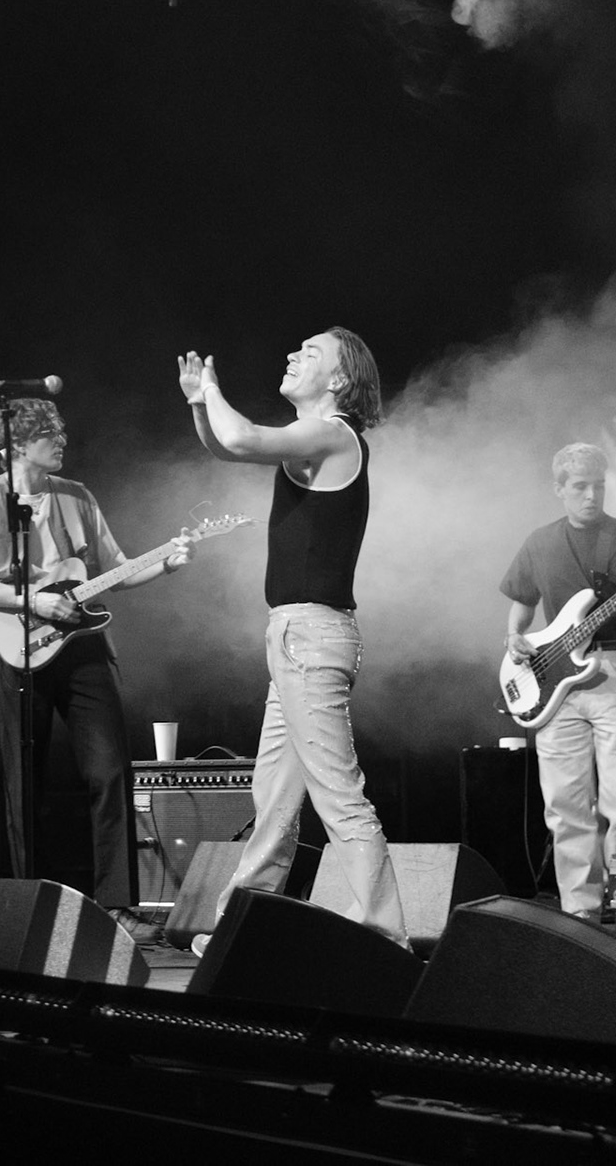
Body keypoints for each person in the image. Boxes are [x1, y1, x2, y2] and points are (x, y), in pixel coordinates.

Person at [177, 330, 409, 954]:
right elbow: (226, 447)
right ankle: (241, 932)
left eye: (310, 353)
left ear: (339, 379)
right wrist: (200, 404)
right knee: (275, 796)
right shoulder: (312, 440)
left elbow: (242, 439)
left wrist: (213, 391)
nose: (291, 356)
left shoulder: (333, 435)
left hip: (312, 636)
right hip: (294, 637)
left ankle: (384, 938)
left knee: (338, 795)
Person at [0, 397, 189, 946]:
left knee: (111, 772)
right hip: (12, 648)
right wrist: (30, 601)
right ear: (16, 445)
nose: (62, 441)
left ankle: (118, 906)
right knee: (23, 785)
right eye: (50, 434)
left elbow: (117, 571)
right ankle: (28, 906)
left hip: (83, 648)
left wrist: (166, 564)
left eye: (59, 432)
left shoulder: (77, 496)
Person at [500, 442, 616, 926]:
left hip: (615, 670)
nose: (592, 495)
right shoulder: (539, 542)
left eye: (598, 486)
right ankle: (580, 913)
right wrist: (514, 637)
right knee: (565, 805)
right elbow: (522, 604)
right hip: (556, 682)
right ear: (559, 489)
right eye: (580, 487)